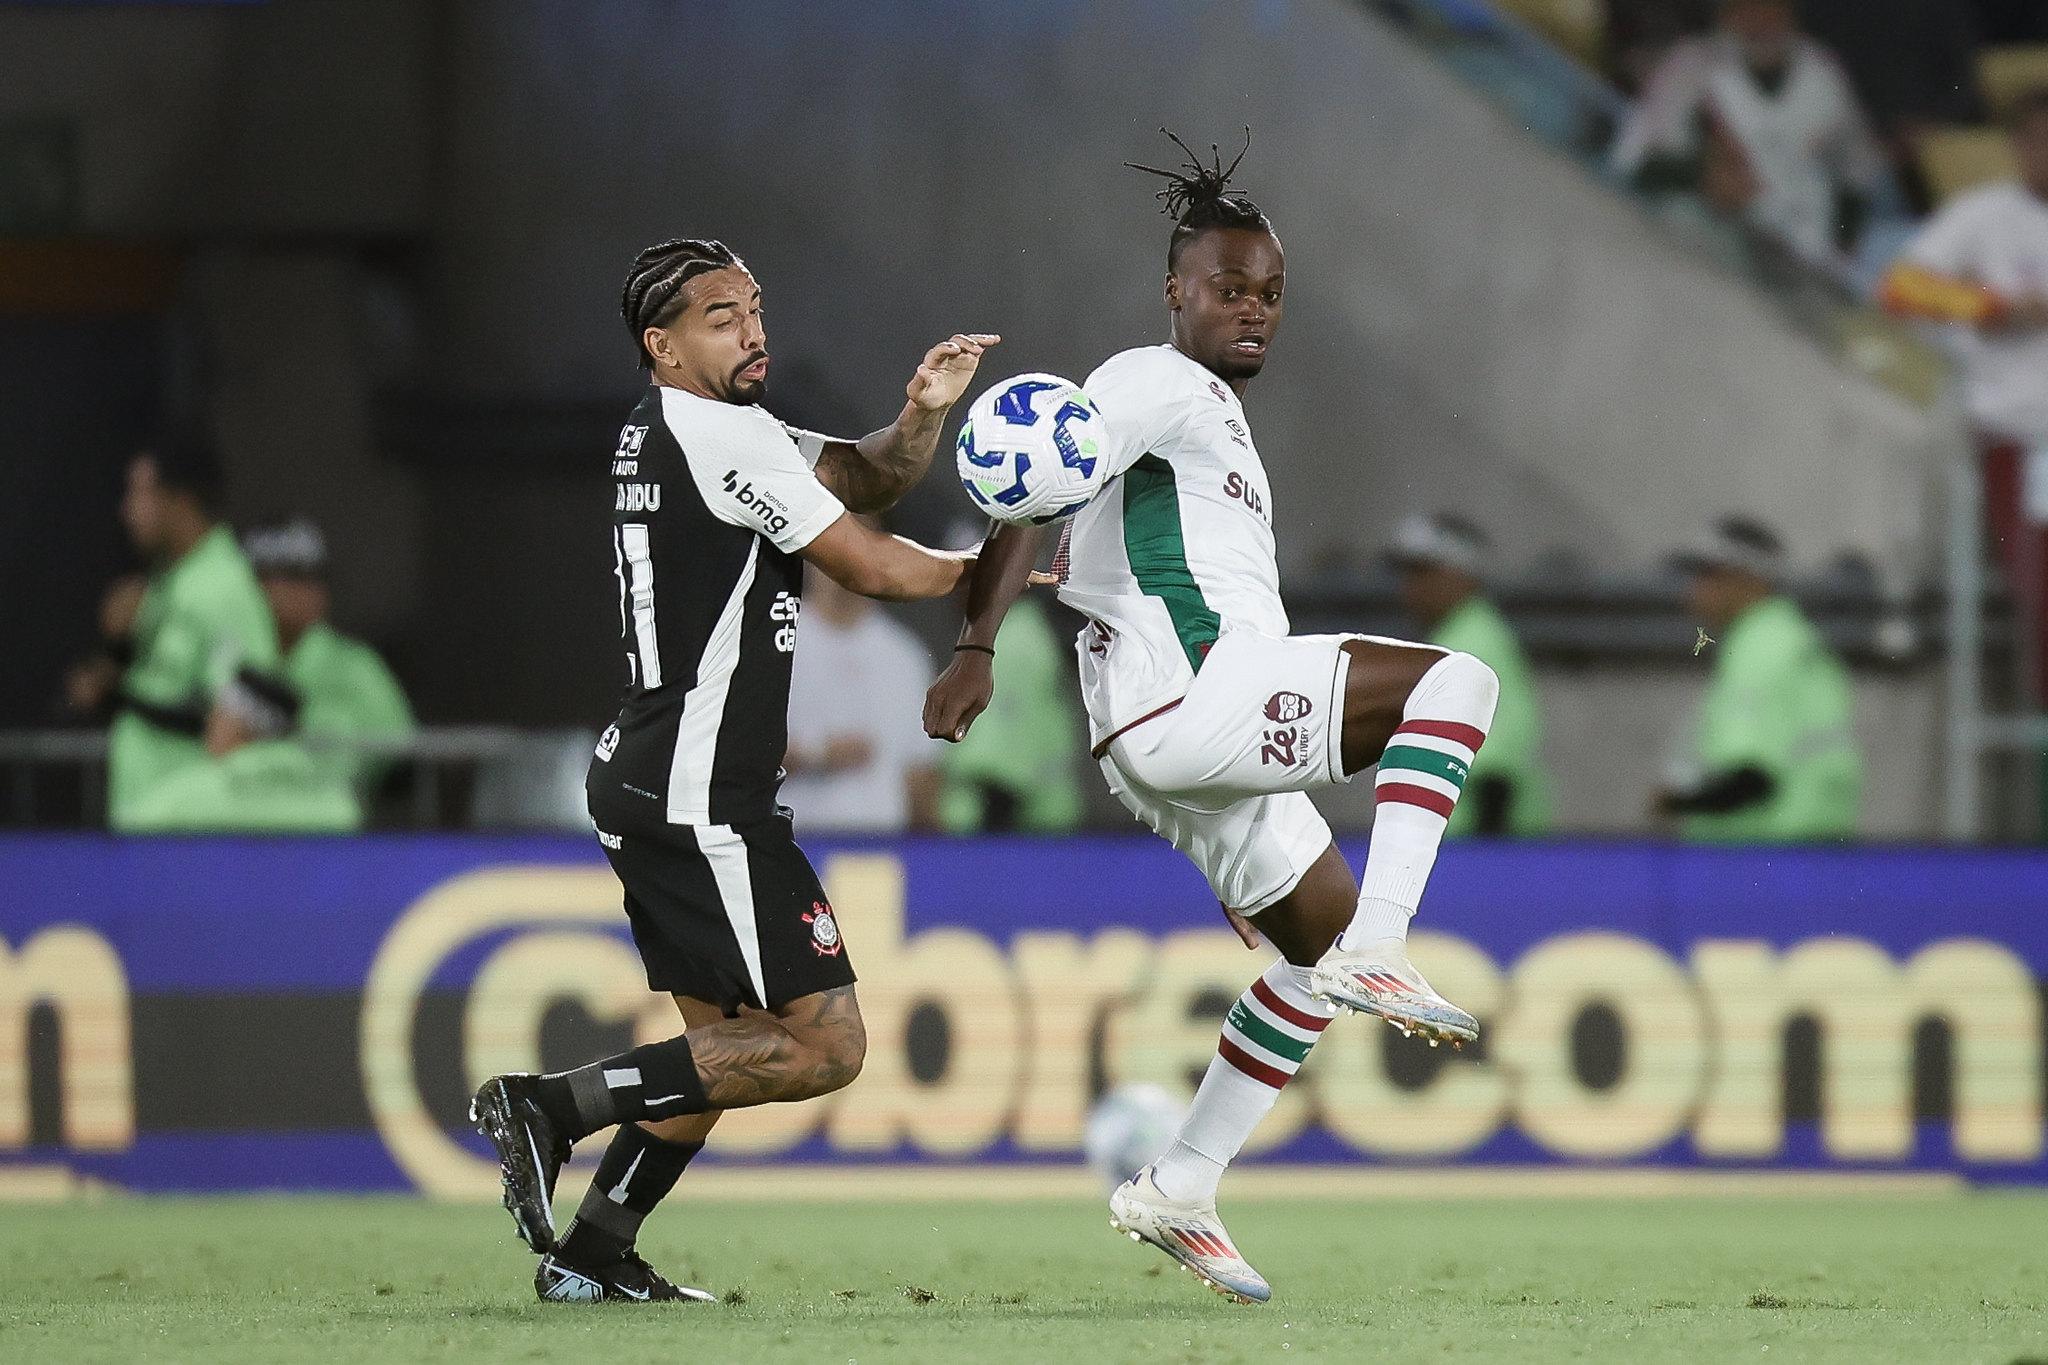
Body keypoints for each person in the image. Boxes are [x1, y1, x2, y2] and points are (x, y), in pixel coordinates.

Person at [924, 135, 1500, 1304]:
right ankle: (1388, 948)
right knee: (1457, 685)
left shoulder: (1213, 422)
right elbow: (1035, 481)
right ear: (1174, 292)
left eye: (1270, 292)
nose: (1252, 309)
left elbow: (1063, 513)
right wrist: (975, 647)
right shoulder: (1151, 379)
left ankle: (1178, 1186)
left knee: (1311, 956)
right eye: (1227, 287)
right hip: (1192, 696)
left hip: (1165, 741)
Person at [470, 237, 1000, 1305]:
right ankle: (550, 1107)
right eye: (721, 316)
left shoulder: (694, 427)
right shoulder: (718, 437)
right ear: (662, 347)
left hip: (662, 776)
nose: (754, 330)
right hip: (699, 794)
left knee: (722, 1051)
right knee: (823, 1046)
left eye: (755, 308)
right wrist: (1019, 560)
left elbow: (868, 474)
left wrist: (925, 409)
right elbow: (873, 562)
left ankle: (590, 1257)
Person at [89, 440, 294, 831]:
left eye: (139, 492)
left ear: (178, 500)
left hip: (193, 830)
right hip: (144, 817)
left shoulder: (222, 584)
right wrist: (114, 656)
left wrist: (122, 695)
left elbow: (246, 713)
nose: (127, 511)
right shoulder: (170, 581)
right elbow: (167, 687)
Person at [1611, 0, 1889, 263]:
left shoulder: (1824, 74)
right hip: (1710, 234)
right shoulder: (1693, 66)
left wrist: (1843, 239)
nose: (1761, 19)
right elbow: (1631, 164)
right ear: (1727, 13)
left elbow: (1858, 175)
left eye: (1773, 8)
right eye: (1749, 7)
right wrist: (1698, 175)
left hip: (1799, 250)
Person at [1657, 516, 1860, 841]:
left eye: (1709, 573)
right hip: (1814, 853)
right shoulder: (1790, 637)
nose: (1694, 587)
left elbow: (1750, 779)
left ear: (1750, 579)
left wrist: (1675, 803)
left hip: (1769, 860)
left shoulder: (1759, 649)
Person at [1881, 88, 2048, 447]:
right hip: (1995, 420)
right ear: (2018, 144)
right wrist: (1995, 307)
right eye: (2040, 141)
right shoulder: (1981, 212)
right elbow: (1900, 289)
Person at [1389, 513, 1549, 837]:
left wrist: (1485, 854)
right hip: (1458, 841)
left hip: (1478, 842)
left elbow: (1502, 754)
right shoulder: (1457, 635)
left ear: (1458, 574)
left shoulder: (1475, 642)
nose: (1410, 586)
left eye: (1424, 572)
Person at [243, 518, 415, 798]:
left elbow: (399, 753)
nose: (310, 589)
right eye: (293, 575)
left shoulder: (357, 664)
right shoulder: (229, 656)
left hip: (329, 825)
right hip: (236, 820)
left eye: (317, 575)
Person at [781, 559, 939, 832]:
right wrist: (816, 756)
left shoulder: (904, 655)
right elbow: (737, 757)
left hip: (881, 850)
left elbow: (920, 774)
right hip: (794, 842)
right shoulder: (779, 644)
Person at [936, 592, 1085, 833]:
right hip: (1044, 821)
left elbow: (998, 768)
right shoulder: (1023, 631)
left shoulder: (1012, 638)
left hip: (1005, 826)